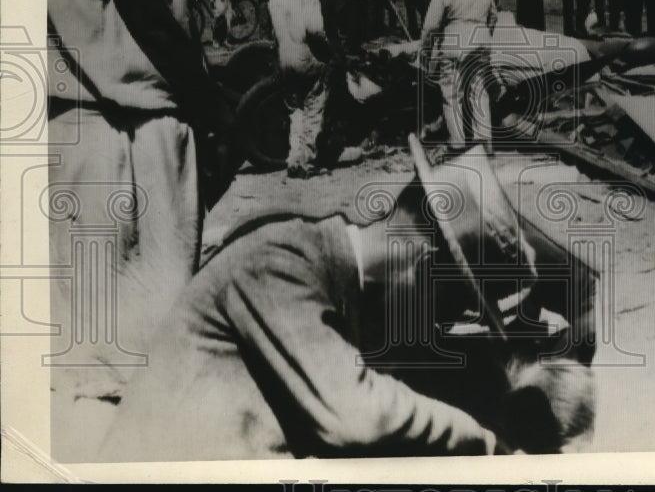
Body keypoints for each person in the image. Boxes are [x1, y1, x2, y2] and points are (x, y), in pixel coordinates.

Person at [96, 142, 595, 461]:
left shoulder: (326, 274)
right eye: (447, 307)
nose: (435, 328)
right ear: (420, 264)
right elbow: (359, 416)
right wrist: (487, 443)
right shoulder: (281, 261)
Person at [45, 0, 238, 461]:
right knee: (129, 356)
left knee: (105, 347)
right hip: (120, 140)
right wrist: (220, 115)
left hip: (105, 131)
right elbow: (151, 20)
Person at [269, 0, 349, 178]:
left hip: (285, 57)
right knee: (314, 108)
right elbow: (314, 30)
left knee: (295, 111)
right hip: (306, 57)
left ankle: (294, 158)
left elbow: (275, 33)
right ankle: (307, 162)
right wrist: (330, 51)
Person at [421, 0, 498, 153]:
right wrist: (484, 36)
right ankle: (485, 143)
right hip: (481, 39)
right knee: (479, 92)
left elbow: (430, 26)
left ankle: (458, 144)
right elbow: (494, 16)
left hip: (456, 40)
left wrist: (425, 51)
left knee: (452, 94)